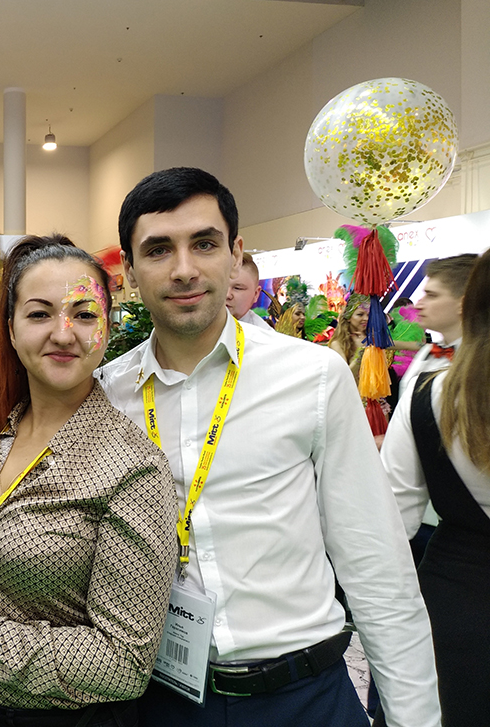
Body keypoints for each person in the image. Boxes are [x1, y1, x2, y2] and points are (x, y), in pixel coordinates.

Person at [97, 167, 439, 727]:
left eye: (204, 244)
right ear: (130, 273)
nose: (184, 269)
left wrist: (413, 719)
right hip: (161, 702)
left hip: (304, 696)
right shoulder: (108, 396)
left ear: (235, 254)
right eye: (158, 250)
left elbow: (377, 568)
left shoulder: (312, 376)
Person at [0, 235, 179, 727]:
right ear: (11, 328)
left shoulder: (132, 468)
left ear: (107, 327)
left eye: (84, 314)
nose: (63, 334)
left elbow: (125, 664)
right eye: (40, 314)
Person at [380, 248, 490, 726]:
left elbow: (392, 517)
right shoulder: (430, 369)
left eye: (432, 293)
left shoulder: (429, 393)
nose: (420, 303)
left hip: (459, 596)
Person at [397, 253, 477, 397]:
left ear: (462, 303)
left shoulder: (480, 364)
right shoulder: (429, 352)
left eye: (432, 295)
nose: (418, 305)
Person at [224, 252, 270, 329]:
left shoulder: (264, 334)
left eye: (237, 288)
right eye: (223, 286)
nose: (227, 295)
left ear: (256, 294)